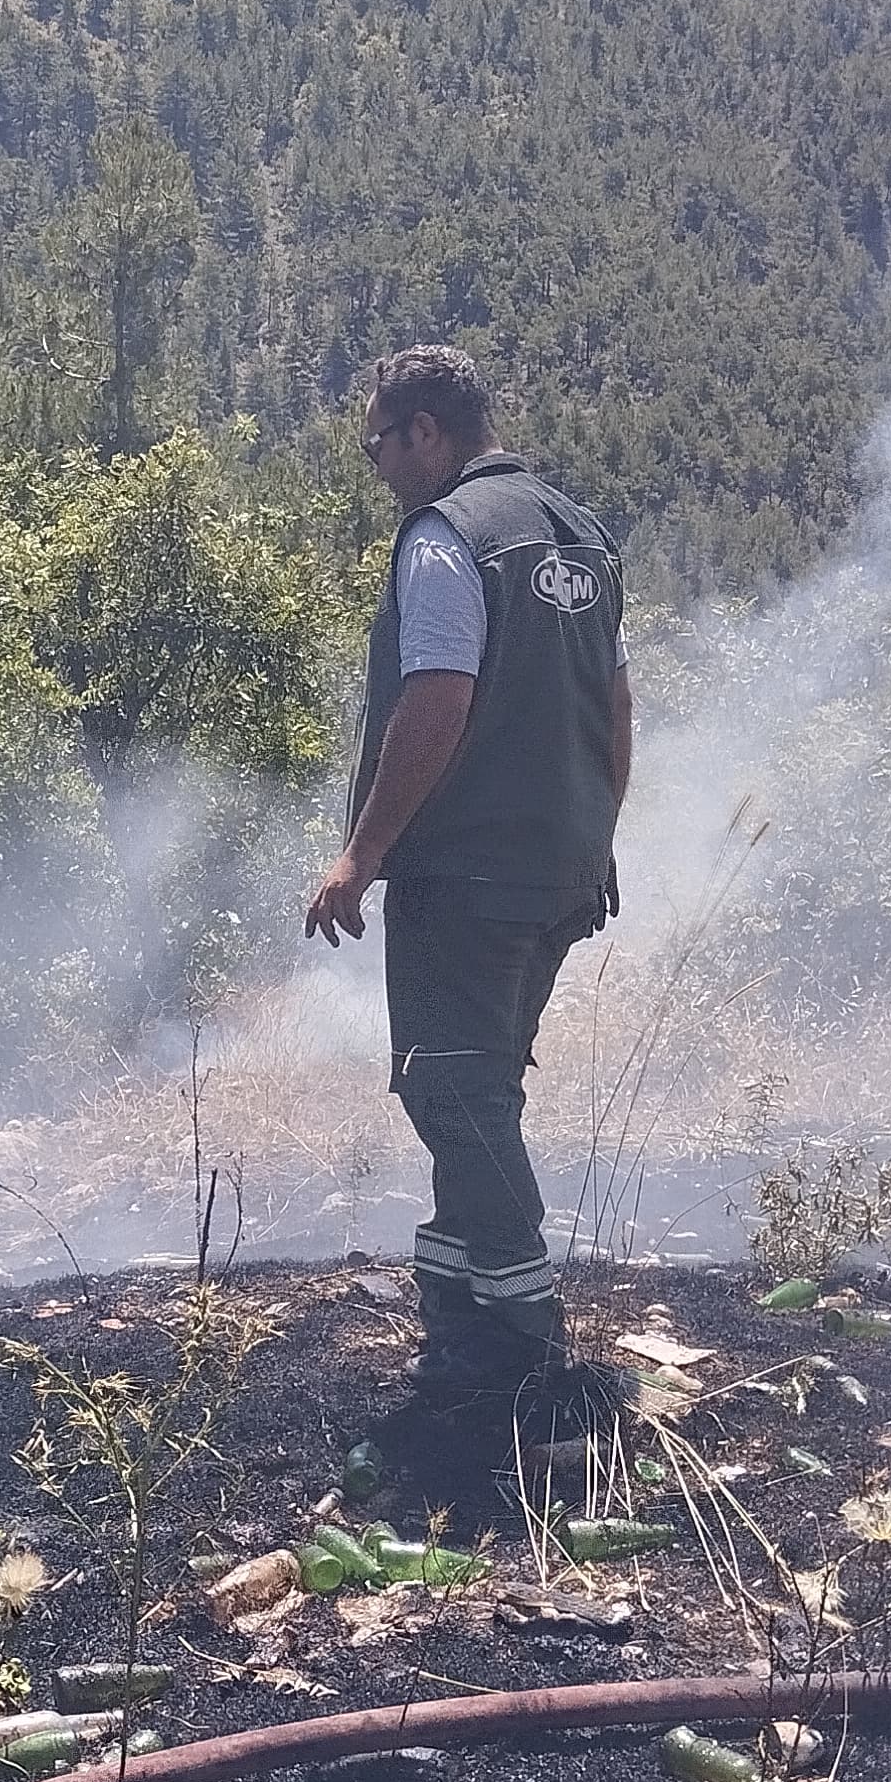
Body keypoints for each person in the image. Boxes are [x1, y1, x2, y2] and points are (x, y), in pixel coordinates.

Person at [304, 346, 633, 1517]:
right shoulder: (576, 532)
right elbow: (615, 703)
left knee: (451, 1089)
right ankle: (462, 1328)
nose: (377, 464)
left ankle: (537, 1349)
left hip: (469, 869)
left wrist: (363, 851)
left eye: (380, 442)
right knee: (475, 1081)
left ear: (429, 432)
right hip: (558, 864)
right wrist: (595, 834)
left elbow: (436, 697)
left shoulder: (447, 537)